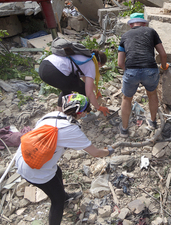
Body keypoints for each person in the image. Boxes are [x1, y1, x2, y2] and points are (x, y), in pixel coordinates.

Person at [15, 94, 114, 225]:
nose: (87, 113)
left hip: (22, 156)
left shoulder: (52, 115)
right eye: (87, 110)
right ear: (80, 112)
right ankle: (60, 206)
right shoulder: (71, 129)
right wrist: (108, 152)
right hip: (35, 170)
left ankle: (66, 197)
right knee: (57, 201)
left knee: (57, 171)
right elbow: (95, 153)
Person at [117, 13, 168, 138]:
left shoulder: (124, 36)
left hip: (131, 71)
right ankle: (153, 122)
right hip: (150, 70)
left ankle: (124, 130)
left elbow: (120, 63)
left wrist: (129, 71)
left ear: (131, 25)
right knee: (152, 94)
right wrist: (163, 66)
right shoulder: (151, 32)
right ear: (144, 23)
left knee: (126, 98)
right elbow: (163, 54)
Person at [39, 38, 110, 116]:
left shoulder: (85, 56)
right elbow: (89, 92)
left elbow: (86, 80)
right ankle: (85, 114)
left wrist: (97, 91)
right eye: (100, 67)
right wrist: (99, 107)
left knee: (67, 89)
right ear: (99, 63)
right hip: (54, 71)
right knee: (83, 90)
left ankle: (60, 114)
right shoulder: (92, 64)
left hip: (44, 66)